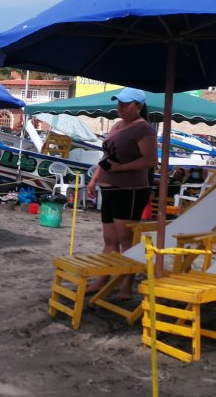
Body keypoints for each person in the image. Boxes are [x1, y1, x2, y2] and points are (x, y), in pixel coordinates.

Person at [86, 87, 155, 299]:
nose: (120, 107)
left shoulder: (144, 130)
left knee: (127, 239)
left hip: (130, 189)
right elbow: (107, 156)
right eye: (119, 103)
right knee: (109, 239)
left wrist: (121, 169)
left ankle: (127, 285)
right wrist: (95, 178)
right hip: (109, 187)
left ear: (139, 106)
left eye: (125, 104)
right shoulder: (117, 125)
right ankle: (103, 278)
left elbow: (150, 161)